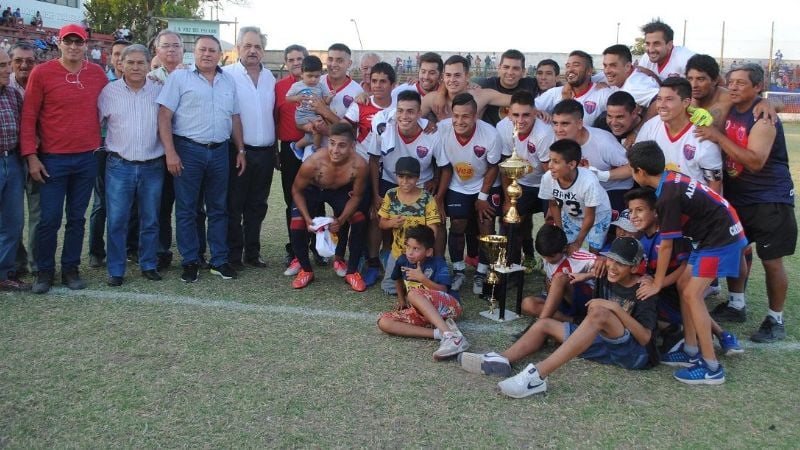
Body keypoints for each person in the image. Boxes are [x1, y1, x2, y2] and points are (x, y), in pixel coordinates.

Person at [458, 236, 658, 398]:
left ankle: (537, 376)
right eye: (611, 259)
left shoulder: (644, 289)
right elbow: (598, 269)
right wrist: (587, 275)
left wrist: (614, 308)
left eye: (620, 263)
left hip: (632, 354)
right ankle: (502, 359)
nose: (612, 266)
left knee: (600, 312)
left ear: (634, 268)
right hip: (601, 343)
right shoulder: (604, 273)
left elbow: (645, 338)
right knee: (544, 323)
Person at [629, 140, 747, 385]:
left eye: (631, 169)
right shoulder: (670, 179)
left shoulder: (667, 196)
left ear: (640, 171)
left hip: (721, 238)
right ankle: (691, 349)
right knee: (684, 285)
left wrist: (657, 283)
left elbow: (667, 246)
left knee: (693, 294)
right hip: (712, 236)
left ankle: (711, 367)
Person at [694, 63, 796, 343]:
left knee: (771, 261)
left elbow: (755, 161)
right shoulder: (731, 106)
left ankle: (775, 319)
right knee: (736, 250)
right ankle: (736, 304)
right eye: (731, 82)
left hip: (769, 199)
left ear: (758, 87)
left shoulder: (762, 118)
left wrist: (717, 136)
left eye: (741, 83)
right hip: (738, 197)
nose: (734, 87)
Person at [21, 24, 108, 294]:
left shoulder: (97, 73)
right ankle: (45, 271)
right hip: (53, 159)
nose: (73, 46)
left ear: (85, 45)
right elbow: (29, 117)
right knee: (49, 218)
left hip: (86, 158)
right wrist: (31, 156)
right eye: (68, 41)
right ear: (59, 43)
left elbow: (114, 101)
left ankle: (71, 268)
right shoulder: (42, 73)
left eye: (78, 42)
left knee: (77, 218)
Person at [157, 35, 246, 283]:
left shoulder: (228, 81)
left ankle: (219, 260)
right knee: (187, 209)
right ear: (194, 53)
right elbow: (164, 116)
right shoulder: (179, 78)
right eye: (202, 50)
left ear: (220, 55)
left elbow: (235, 117)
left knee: (218, 208)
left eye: (212, 50)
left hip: (219, 151)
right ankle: (190, 260)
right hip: (188, 150)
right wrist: (170, 152)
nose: (207, 54)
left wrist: (241, 150)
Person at [624, 188, 743, 356]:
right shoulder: (641, 238)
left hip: (676, 290)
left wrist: (657, 284)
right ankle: (681, 331)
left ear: (656, 212)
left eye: (639, 210)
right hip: (662, 291)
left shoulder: (670, 235)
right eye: (631, 211)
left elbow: (684, 269)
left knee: (687, 301)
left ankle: (720, 335)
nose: (633, 216)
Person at [98, 44, 164, 286]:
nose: (136, 67)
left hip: (152, 165)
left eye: (140, 63)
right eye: (131, 62)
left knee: (150, 219)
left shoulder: (159, 90)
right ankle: (116, 269)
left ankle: (148, 264)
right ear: (121, 64)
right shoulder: (109, 92)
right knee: (117, 220)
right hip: (119, 166)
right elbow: (96, 123)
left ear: (148, 65)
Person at [288, 123, 369, 291]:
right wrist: (308, 219)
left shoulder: (360, 165)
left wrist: (341, 219)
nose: (335, 150)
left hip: (339, 191)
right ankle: (306, 270)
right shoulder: (314, 162)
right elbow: (296, 190)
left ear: (352, 146)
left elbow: (357, 196)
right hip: (312, 190)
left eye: (342, 145)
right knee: (297, 223)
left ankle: (352, 272)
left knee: (359, 219)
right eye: (332, 143)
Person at [437, 92, 503, 294]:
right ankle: (458, 270)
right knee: (457, 223)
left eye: (465, 116)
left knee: (486, 223)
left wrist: (482, 197)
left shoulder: (490, 134)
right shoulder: (441, 129)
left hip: (485, 183)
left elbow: (493, 166)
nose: (459, 121)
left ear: (475, 116)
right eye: (456, 115)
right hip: (458, 184)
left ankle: (482, 272)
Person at [223, 26, 276, 269]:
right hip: (238, 152)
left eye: (257, 46)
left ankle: (252, 253)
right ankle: (234, 254)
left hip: (265, 153)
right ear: (238, 48)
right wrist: (240, 149)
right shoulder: (226, 75)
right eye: (248, 45)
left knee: (258, 205)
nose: (253, 50)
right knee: (235, 205)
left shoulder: (270, 78)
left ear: (263, 51)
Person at [376, 225, 468, 360]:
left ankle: (450, 336)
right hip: (422, 313)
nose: (410, 252)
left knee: (413, 294)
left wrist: (422, 279)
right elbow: (397, 279)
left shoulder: (438, 263)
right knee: (384, 322)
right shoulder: (402, 260)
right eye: (408, 246)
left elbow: (444, 290)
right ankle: (439, 334)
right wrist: (401, 300)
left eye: (416, 249)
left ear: (429, 251)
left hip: (449, 307)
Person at [636, 77, 723, 193]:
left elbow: (715, 183)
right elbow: (636, 163)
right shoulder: (650, 127)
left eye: (669, 99)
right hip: (659, 198)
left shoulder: (703, 135)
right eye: (659, 99)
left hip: (696, 202)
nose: (661, 105)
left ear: (685, 102)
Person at [496, 90, 554, 264]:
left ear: (535, 113)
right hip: (520, 183)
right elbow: (506, 166)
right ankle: (513, 265)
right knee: (510, 220)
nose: (520, 120)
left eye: (526, 115)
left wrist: (553, 204)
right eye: (516, 115)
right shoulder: (503, 128)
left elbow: (550, 173)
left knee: (552, 222)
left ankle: (551, 265)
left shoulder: (544, 133)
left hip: (545, 184)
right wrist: (508, 200)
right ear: (508, 113)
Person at [89, 39, 131, 268]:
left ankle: (129, 248)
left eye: (125, 54)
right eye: (116, 54)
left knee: (129, 203)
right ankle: (96, 251)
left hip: (125, 148)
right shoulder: (100, 81)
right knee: (101, 202)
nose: (120, 59)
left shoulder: (142, 81)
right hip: (102, 148)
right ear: (111, 57)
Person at [550, 99, 633, 212]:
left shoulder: (603, 141)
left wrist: (601, 175)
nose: (558, 130)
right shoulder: (556, 140)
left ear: (579, 123)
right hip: (582, 190)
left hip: (612, 189)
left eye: (565, 124)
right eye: (555, 123)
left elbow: (631, 168)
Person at [377, 157, 441, 295]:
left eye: (410, 177)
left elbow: (433, 228)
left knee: (423, 288)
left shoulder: (427, 198)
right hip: (397, 252)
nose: (405, 181)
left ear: (418, 177)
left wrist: (425, 250)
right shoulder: (391, 194)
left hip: (419, 255)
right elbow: (382, 223)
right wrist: (392, 223)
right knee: (389, 287)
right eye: (401, 177)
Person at [538, 139, 612, 254]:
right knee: (564, 247)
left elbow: (590, 216)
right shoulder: (548, 178)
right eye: (550, 160)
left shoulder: (589, 182)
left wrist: (578, 242)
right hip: (572, 215)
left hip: (598, 217)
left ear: (572, 164)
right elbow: (553, 204)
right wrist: (560, 230)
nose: (550, 165)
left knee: (593, 252)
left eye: (556, 162)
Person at [275, 44, 309, 267]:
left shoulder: (318, 84)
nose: (296, 63)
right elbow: (274, 119)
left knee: (315, 200)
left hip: (315, 147)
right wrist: (275, 150)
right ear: (286, 63)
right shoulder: (279, 87)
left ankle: (317, 247)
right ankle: (295, 249)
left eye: (300, 59)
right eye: (291, 59)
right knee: (292, 200)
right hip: (289, 149)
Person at [520, 224, 597, 322]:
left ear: (564, 249)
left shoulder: (576, 255)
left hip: (583, 301)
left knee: (559, 277)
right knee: (527, 304)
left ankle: (541, 323)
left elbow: (604, 264)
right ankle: (573, 320)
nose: (546, 260)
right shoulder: (547, 255)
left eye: (551, 257)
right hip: (560, 301)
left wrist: (587, 275)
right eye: (543, 256)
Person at [0, 48, 29, 291]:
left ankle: (4, 273)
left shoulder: (12, 93)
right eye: (2, 65)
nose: (7, 69)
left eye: (6, 63)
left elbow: (24, 127)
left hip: (12, 161)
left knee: (13, 223)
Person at [8, 42, 38, 276]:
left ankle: (37, 264)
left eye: (29, 61)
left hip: (38, 158)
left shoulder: (41, 83)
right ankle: (17, 263)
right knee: (10, 216)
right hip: (11, 159)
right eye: (19, 60)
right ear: (10, 63)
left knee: (39, 214)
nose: (24, 65)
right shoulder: (5, 87)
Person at [420, 55, 510, 122]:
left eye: (457, 75)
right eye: (448, 75)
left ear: (467, 76)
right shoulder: (432, 98)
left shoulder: (481, 96)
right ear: (443, 76)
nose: (452, 80)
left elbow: (514, 100)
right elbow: (413, 117)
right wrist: (427, 124)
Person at [535, 51, 614, 126]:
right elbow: (530, 107)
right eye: (568, 66)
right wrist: (538, 112)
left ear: (589, 71)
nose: (570, 69)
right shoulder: (555, 92)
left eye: (576, 65)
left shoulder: (603, 94)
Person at [476, 49, 540, 126]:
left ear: (523, 71)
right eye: (506, 67)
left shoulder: (532, 84)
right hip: (491, 132)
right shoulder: (486, 84)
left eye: (515, 68)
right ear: (499, 68)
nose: (510, 72)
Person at [285, 55, 332, 154]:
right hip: (302, 116)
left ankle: (297, 146)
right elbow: (287, 98)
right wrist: (297, 98)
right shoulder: (297, 86)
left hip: (315, 116)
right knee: (317, 129)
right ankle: (316, 149)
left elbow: (326, 102)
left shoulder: (321, 86)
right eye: (310, 76)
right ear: (302, 74)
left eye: (317, 76)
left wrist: (330, 97)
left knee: (315, 132)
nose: (313, 79)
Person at [601, 44, 659, 117]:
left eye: (613, 65)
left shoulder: (635, 86)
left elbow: (661, 99)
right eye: (605, 65)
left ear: (627, 67)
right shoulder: (621, 75)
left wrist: (645, 123)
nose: (607, 71)